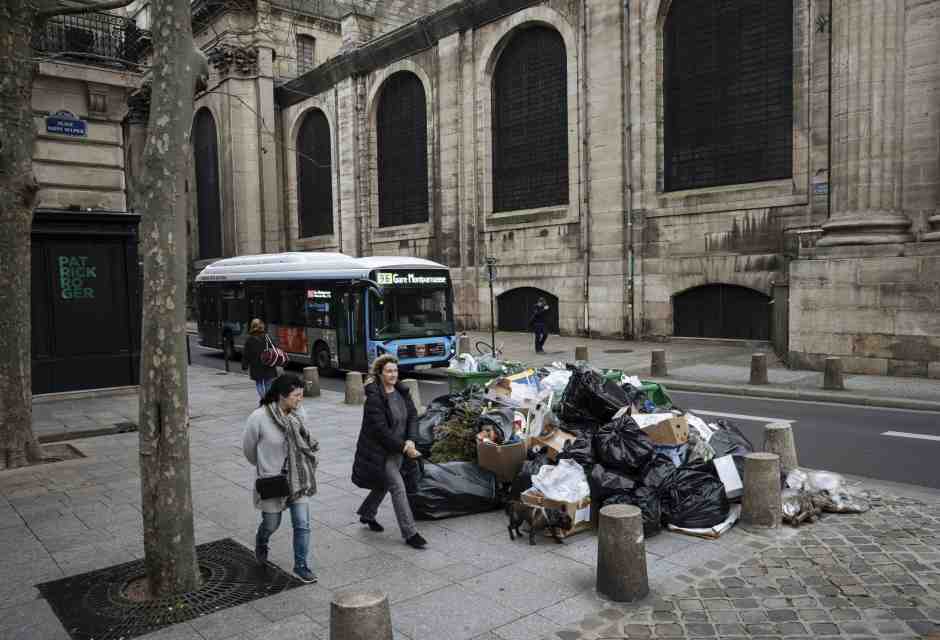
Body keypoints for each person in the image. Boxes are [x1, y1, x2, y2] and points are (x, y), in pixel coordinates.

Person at [243, 374, 319, 583]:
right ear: (281, 396)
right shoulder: (259, 417)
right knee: (271, 524)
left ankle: (301, 565)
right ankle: (262, 541)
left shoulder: (299, 413)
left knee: (302, 524)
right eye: (296, 396)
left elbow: (305, 441)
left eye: (301, 395)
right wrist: (266, 467)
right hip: (272, 481)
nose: (299, 400)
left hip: (298, 478)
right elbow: (249, 451)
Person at [351, 355, 427, 549]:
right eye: (389, 371)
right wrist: (405, 447)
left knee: (383, 484)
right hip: (381, 452)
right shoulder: (375, 398)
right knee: (397, 488)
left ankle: (367, 514)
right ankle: (410, 533)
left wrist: (410, 439)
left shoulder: (402, 391)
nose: (393, 374)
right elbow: (380, 431)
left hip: (401, 448)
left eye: (395, 370)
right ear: (380, 373)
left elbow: (412, 416)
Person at [242, 318, 278, 398]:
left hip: (256, 365)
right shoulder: (266, 337)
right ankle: (267, 400)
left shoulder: (249, 339)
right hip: (267, 364)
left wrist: (244, 366)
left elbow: (246, 354)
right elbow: (275, 347)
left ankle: (263, 399)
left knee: (259, 383)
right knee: (268, 383)